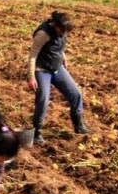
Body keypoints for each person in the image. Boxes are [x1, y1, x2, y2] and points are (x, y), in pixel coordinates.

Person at [28, 11, 89, 144]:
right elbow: (32, 56)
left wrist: (63, 58)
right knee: (43, 99)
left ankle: (78, 125)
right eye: (61, 30)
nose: (62, 33)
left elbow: (59, 47)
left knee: (76, 94)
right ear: (54, 24)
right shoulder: (42, 34)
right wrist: (31, 77)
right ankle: (37, 131)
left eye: (65, 31)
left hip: (56, 68)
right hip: (42, 69)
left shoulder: (63, 30)